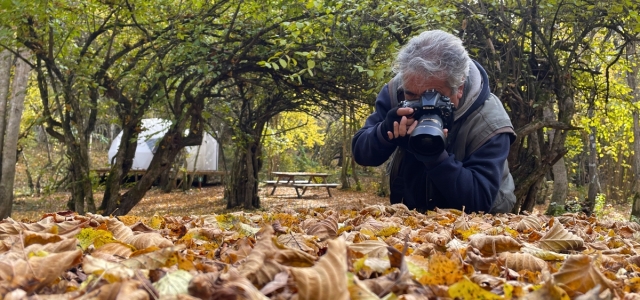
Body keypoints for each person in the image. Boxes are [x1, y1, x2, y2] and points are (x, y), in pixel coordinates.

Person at [351, 30, 516, 213]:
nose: (422, 105)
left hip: (482, 225)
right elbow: (361, 154)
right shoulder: (397, 91)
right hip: (411, 215)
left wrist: (435, 157)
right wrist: (384, 133)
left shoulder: (489, 119)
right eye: (411, 95)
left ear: (459, 88)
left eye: (434, 96)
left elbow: (479, 201)